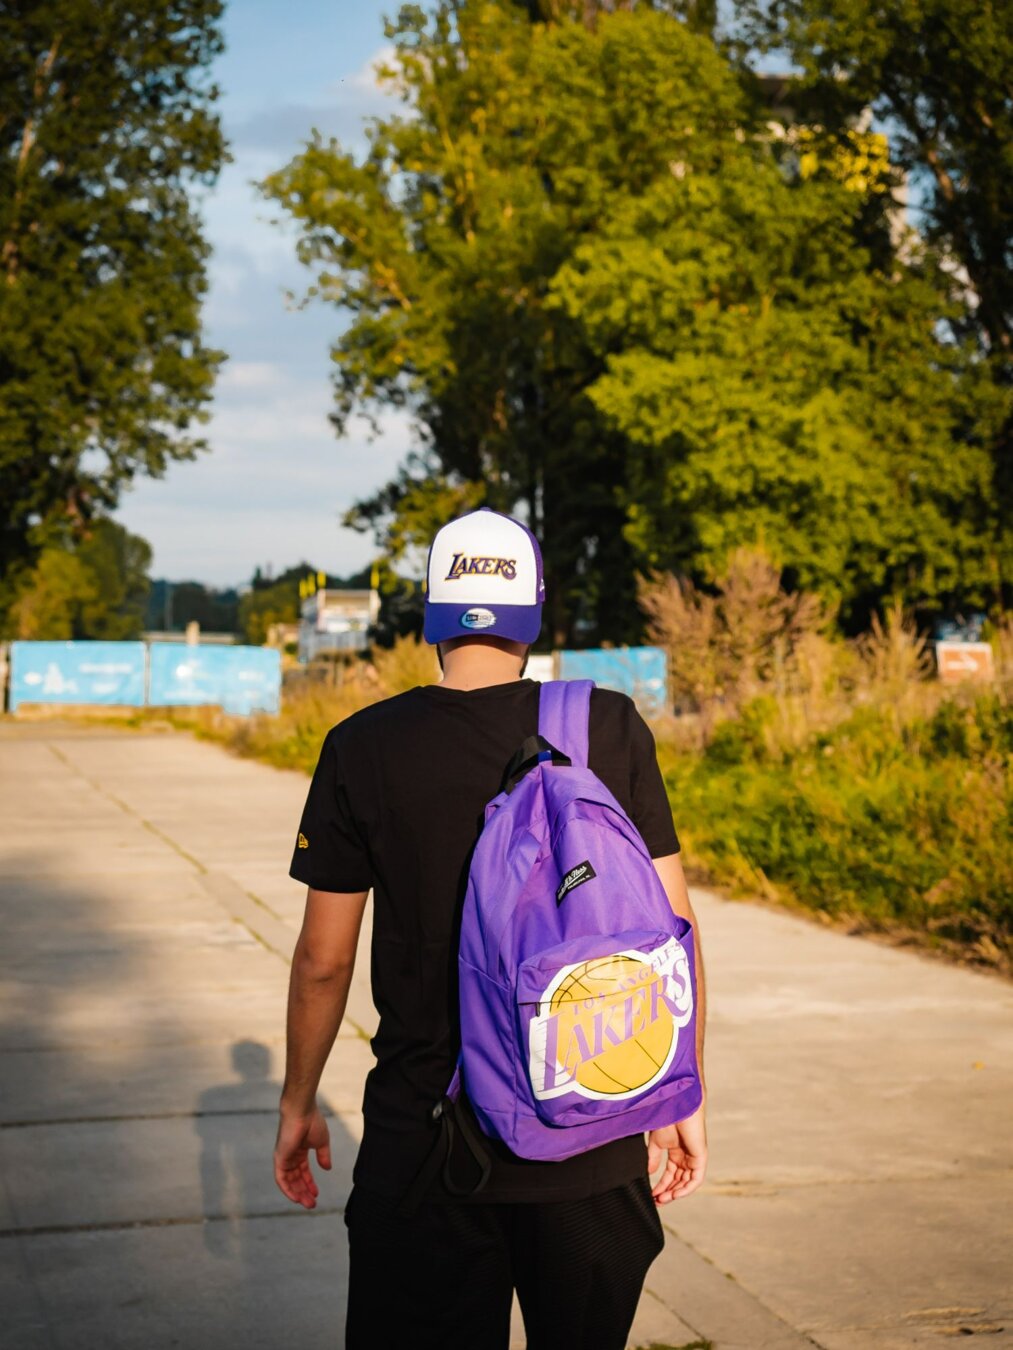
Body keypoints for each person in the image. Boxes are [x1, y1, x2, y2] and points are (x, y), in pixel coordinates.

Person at [275, 507, 708, 1350]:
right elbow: (673, 928)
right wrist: (678, 1088)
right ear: (534, 610)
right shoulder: (607, 727)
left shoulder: (360, 746)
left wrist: (299, 1100)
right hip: (589, 1130)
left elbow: (322, 962)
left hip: (427, 1148)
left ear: (431, 613)